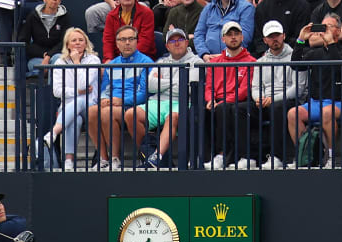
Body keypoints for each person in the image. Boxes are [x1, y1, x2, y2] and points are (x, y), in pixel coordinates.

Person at [124, 27, 202, 168]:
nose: (176, 43)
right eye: (172, 40)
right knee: (131, 114)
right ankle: (149, 155)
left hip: (182, 102)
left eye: (180, 39)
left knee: (172, 117)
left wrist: (163, 83)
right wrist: (176, 82)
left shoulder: (197, 62)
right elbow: (150, 85)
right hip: (158, 102)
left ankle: (156, 157)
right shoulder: (161, 62)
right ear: (167, 46)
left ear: (186, 42)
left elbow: (188, 88)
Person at [239, 20, 305, 169]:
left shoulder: (295, 57)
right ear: (265, 40)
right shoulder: (260, 61)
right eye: (271, 36)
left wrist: (271, 99)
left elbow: (298, 89)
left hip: (289, 101)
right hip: (265, 102)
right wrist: (260, 98)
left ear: (284, 36)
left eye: (277, 35)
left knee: (277, 107)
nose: (274, 39)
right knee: (240, 109)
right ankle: (247, 157)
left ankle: (278, 157)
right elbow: (255, 87)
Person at [287, 15, 342, 168]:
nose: (324, 30)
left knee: (327, 113)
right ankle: (306, 154)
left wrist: (330, 43)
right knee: (293, 114)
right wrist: (301, 39)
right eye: (322, 27)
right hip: (316, 102)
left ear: (338, 31)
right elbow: (296, 65)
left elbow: (337, 68)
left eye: (329, 27)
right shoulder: (315, 52)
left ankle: (331, 157)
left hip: (339, 102)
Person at [88, 25, 152, 169]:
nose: (127, 43)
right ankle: (104, 159)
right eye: (123, 39)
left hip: (133, 105)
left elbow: (144, 94)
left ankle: (115, 158)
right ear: (117, 43)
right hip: (113, 102)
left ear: (137, 41)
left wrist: (122, 101)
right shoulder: (112, 64)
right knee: (91, 111)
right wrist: (104, 99)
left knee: (106, 112)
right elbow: (105, 89)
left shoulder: (146, 62)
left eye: (131, 39)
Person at [42, 27, 101, 169]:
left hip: (91, 105)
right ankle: (69, 160)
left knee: (80, 101)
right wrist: (78, 91)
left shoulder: (94, 59)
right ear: (67, 44)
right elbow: (57, 91)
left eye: (81, 40)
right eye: (74, 40)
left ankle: (54, 132)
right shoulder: (60, 63)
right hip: (68, 107)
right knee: (75, 118)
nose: (78, 43)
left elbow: (84, 82)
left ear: (86, 43)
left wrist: (76, 62)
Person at [202, 21, 255, 169]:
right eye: (229, 35)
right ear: (223, 39)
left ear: (242, 37)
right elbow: (209, 85)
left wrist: (223, 101)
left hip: (239, 101)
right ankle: (200, 156)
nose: (233, 37)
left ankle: (222, 154)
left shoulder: (251, 61)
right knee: (196, 112)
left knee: (224, 109)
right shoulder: (215, 62)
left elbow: (244, 89)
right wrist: (210, 99)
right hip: (219, 101)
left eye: (236, 34)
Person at [17, 0, 71, 77]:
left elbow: (64, 41)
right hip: (38, 58)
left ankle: (51, 86)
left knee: (57, 61)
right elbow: (24, 41)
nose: (55, 0)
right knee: (33, 65)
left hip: (57, 56)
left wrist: (49, 56)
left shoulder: (65, 17)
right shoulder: (33, 16)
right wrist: (44, 54)